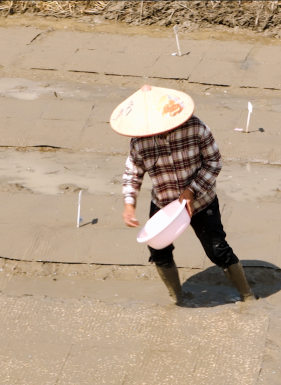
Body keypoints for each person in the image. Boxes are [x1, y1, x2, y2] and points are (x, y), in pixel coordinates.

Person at [110, 84, 256, 305]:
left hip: (201, 201)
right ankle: (178, 297)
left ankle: (247, 295)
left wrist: (191, 190)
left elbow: (214, 162)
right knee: (158, 251)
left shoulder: (196, 128)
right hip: (164, 202)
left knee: (218, 250)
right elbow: (133, 173)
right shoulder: (139, 141)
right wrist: (129, 204)